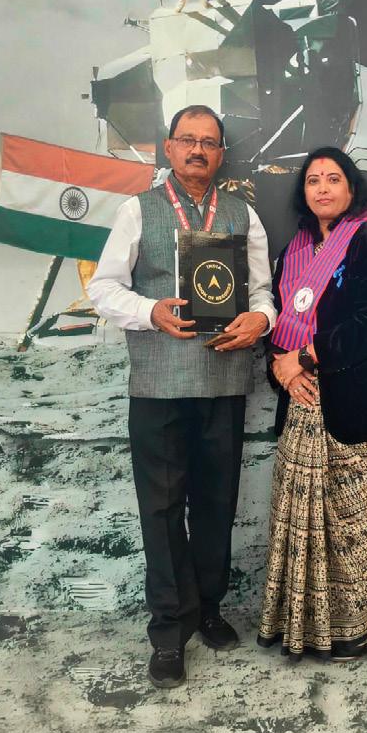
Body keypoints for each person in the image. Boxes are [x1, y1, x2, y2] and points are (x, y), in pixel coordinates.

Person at [88, 104, 276, 688]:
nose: (198, 149)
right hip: (158, 385)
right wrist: (150, 311)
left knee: (217, 502)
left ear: (221, 154)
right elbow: (103, 289)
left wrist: (262, 320)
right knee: (163, 508)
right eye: (187, 140)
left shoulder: (243, 214)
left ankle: (210, 608)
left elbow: (263, 292)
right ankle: (169, 631)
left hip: (223, 381)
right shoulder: (137, 210)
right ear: (168, 148)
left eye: (209, 142)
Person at [257, 147, 367, 661]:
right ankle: (304, 628)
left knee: (358, 528)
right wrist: (282, 367)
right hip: (302, 404)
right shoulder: (290, 253)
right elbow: (278, 320)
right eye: (313, 180)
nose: (322, 188)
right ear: (303, 193)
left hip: (361, 406)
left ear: (352, 188)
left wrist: (303, 359)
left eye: (333, 178)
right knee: (302, 524)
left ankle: (362, 629)